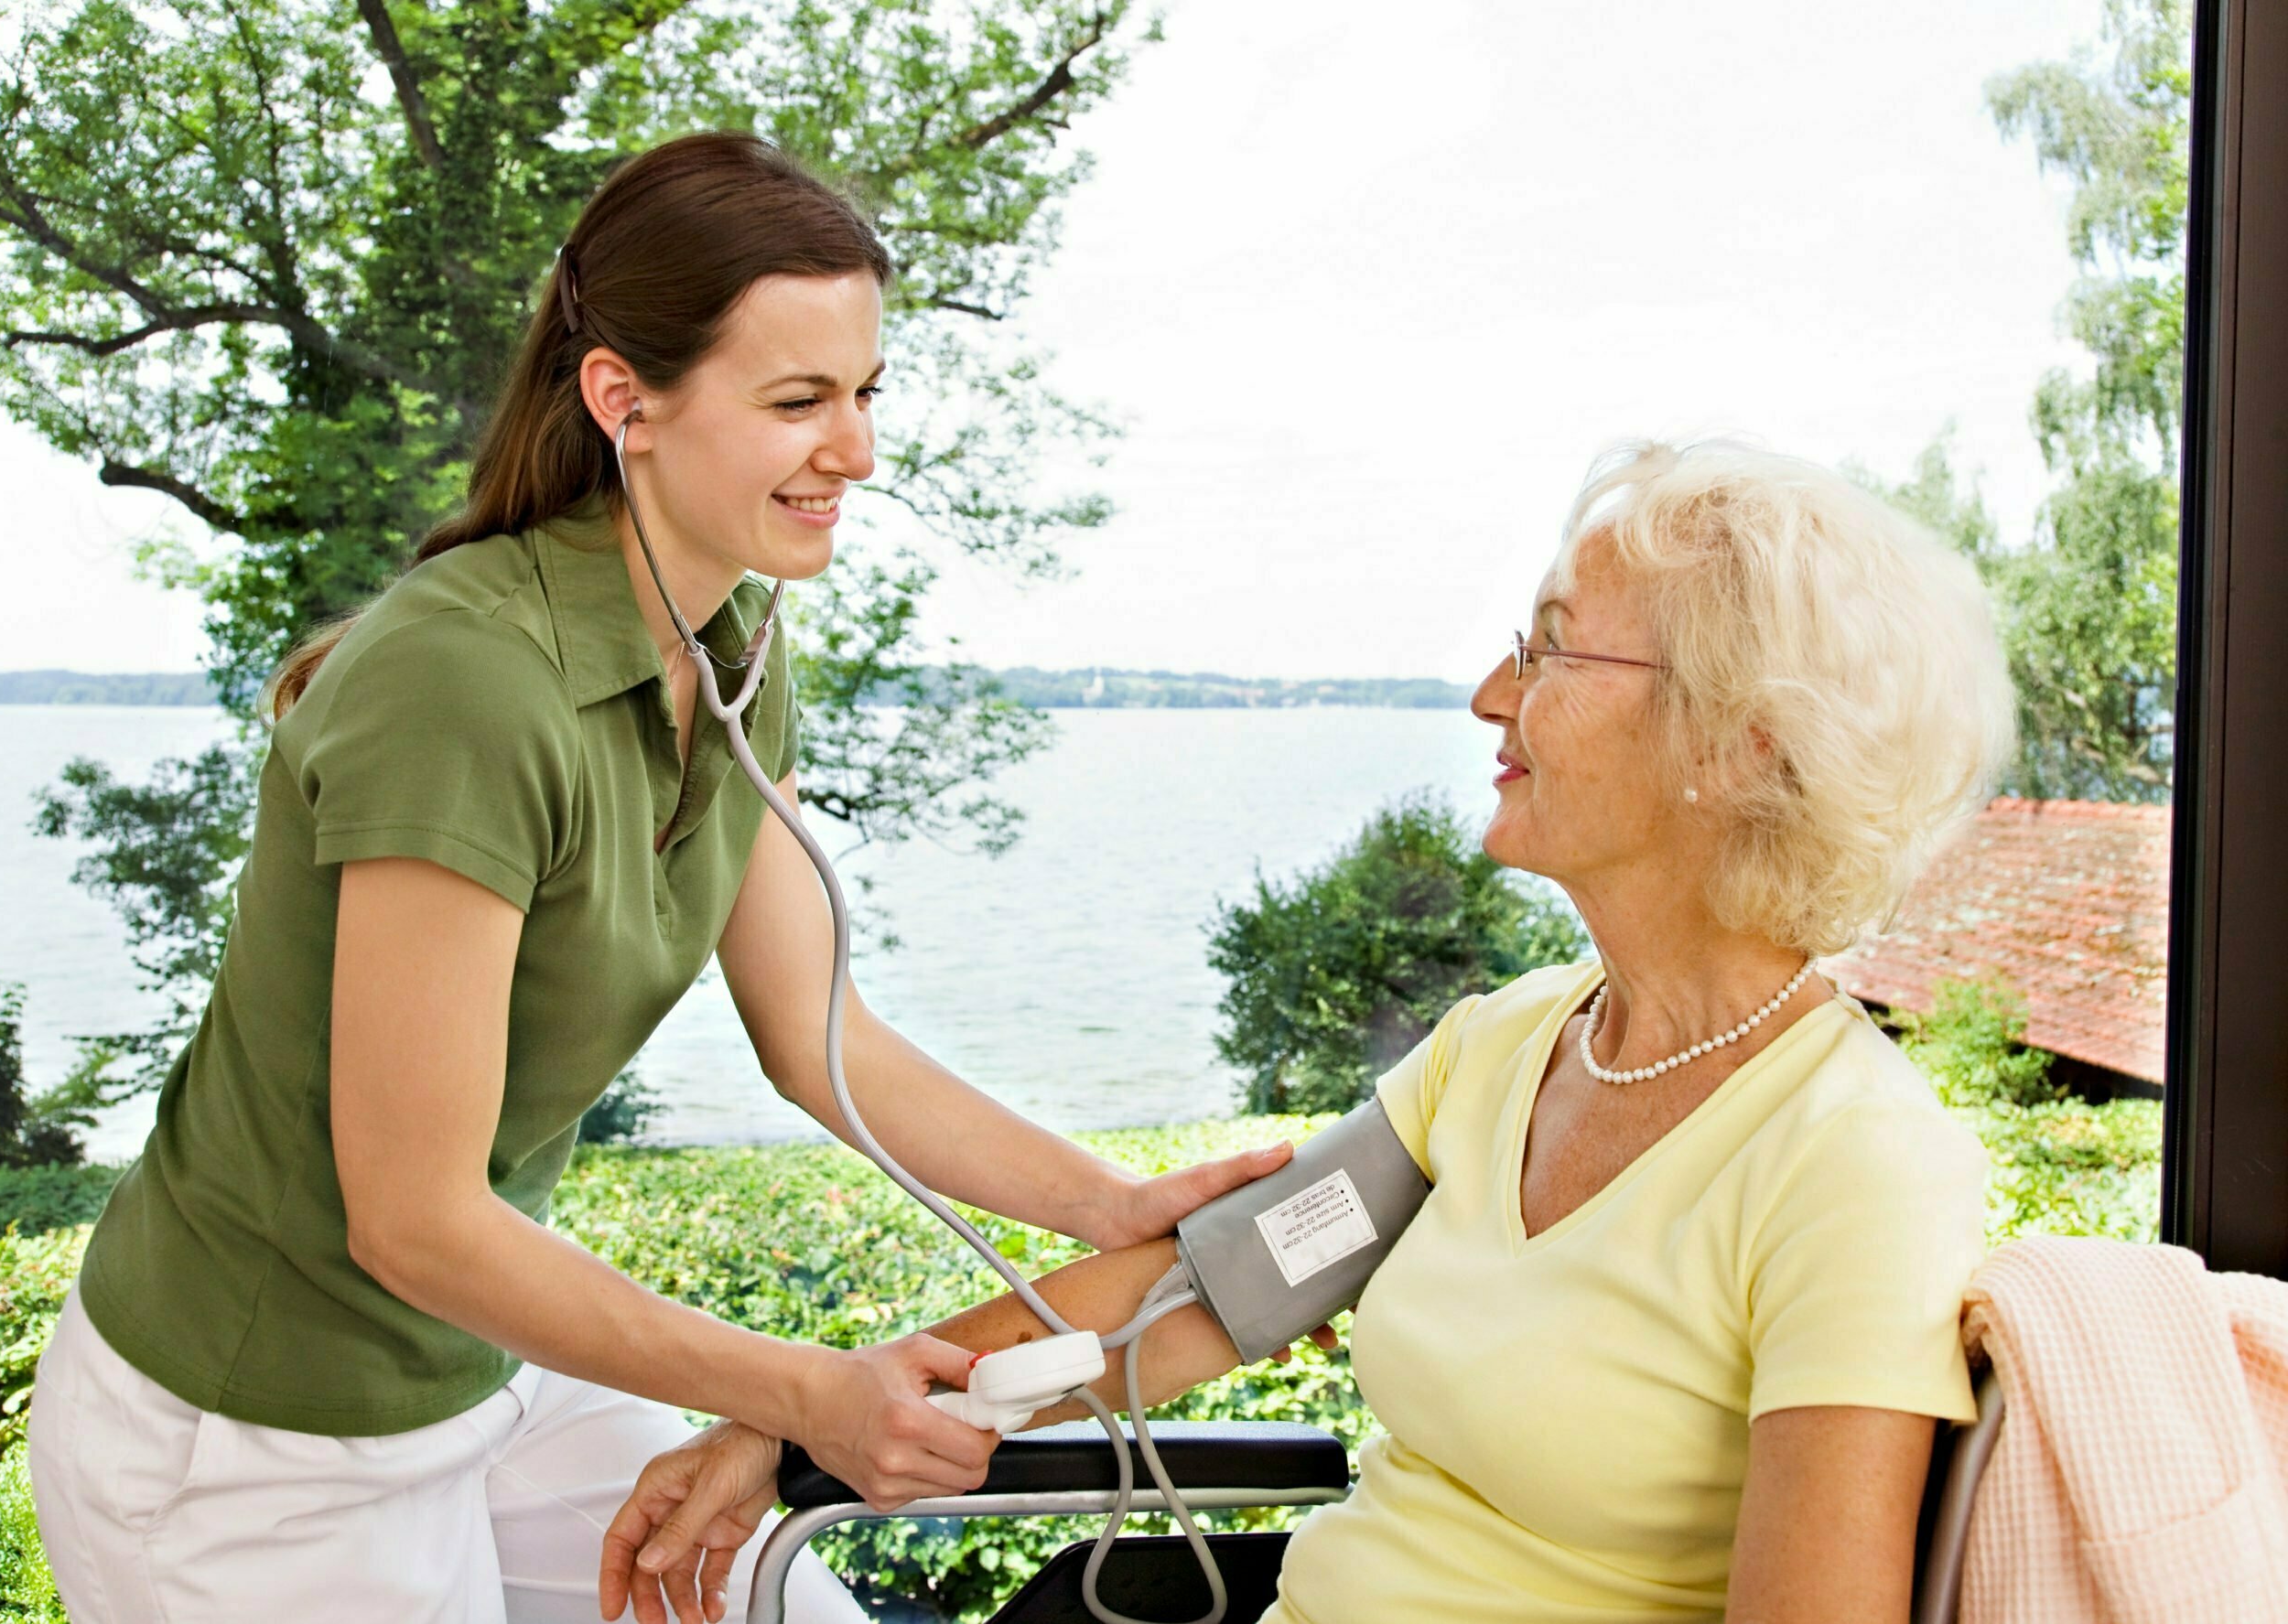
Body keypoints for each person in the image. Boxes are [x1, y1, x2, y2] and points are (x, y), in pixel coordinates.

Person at [24, 131, 1302, 1624]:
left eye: (866, 392)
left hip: (478, 1381)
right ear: (624, 400)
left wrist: (1113, 1202)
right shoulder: (463, 682)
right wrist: (812, 1394)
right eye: (799, 401)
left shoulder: (741, 653)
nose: (860, 451)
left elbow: (825, 1041)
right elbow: (414, 1217)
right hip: (250, 1444)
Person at [611, 439, 2016, 1624]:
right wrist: (797, 1421)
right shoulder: (1510, 1044)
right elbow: (1206, 1293)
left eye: (1552, 649)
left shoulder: (1855, 1168)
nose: (1488, 695)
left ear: (1737, 744)